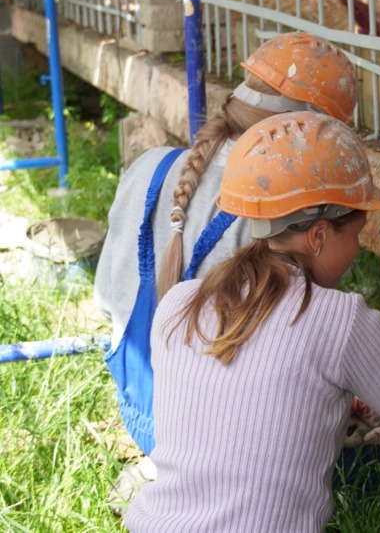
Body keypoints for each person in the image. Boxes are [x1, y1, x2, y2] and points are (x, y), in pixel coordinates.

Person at [124, 111, 380, 532]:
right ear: (318, 236)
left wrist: (326, 410)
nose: (357, 249)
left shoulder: (180, 303)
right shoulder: (337, 320)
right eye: (355, 233)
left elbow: (224, 412)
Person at [93, 32, 359, 503]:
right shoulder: (276, 218)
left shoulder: (150, 165)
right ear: (310, 139)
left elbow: (105, 299)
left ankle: (160, 467)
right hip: (222, 441)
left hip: (139, 407)